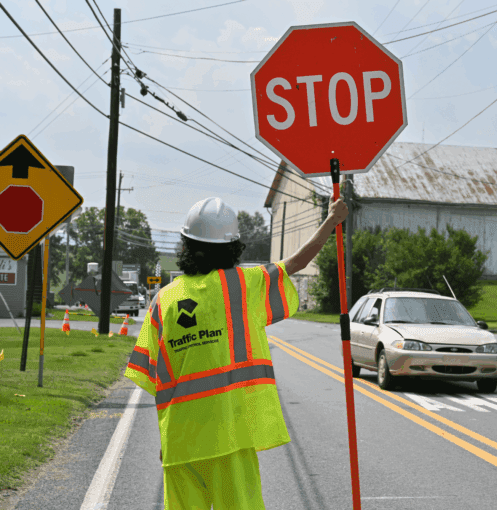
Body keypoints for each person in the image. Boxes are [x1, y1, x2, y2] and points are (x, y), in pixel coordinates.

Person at [124, 196, 348, 510]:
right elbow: (296, 262)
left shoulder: (164, 300)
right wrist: (331, 221)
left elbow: (153, 375)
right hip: (231, 437)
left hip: (180, 442)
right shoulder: (245, 286)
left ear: (186, 246)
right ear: (233, 248)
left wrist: (166, 440)